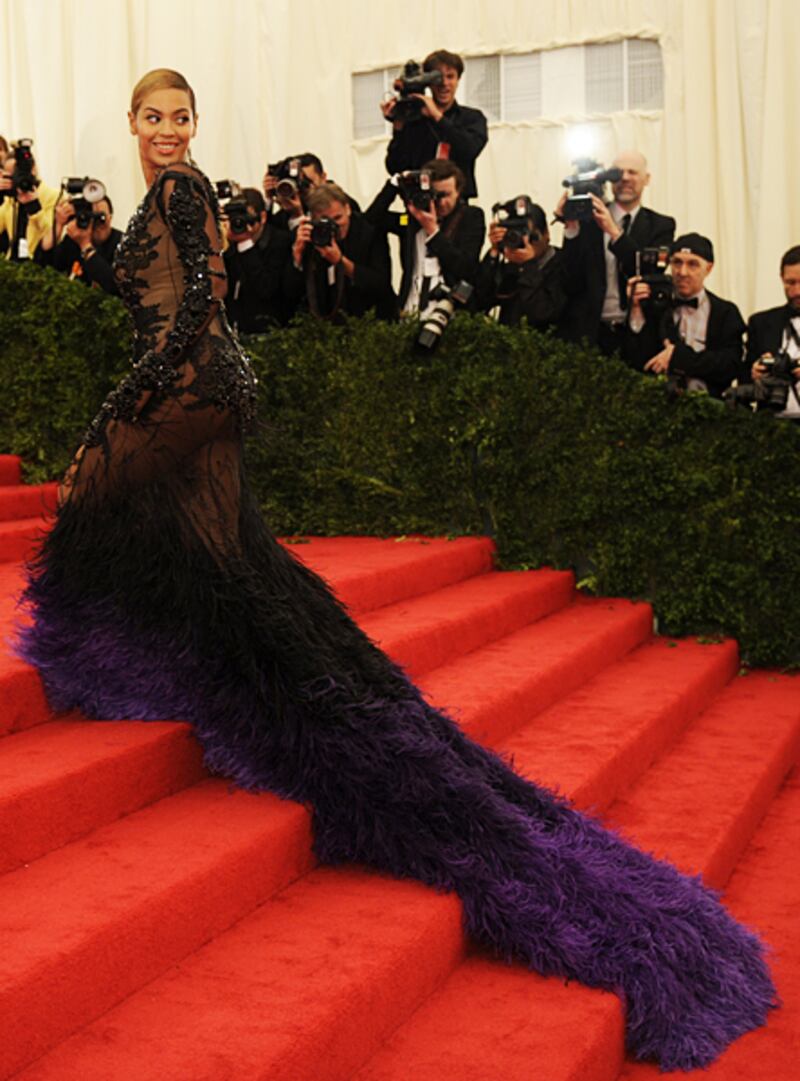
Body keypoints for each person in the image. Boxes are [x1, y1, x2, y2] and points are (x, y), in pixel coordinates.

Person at [15, 69, 775, 1074]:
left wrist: (118, 422)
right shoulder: (182, 191)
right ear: (133, 124)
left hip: (181, 398)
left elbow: (192, 319)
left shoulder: (180, 193)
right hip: (196, 399)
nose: (165, 131)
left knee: (166, 562)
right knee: (224, 581)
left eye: (180, 116)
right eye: (152, 118)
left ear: (195, 124)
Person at [557, 151, 675, 351]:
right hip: (590, 334)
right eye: (618, 173)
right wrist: (571, 227)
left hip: (637, 333)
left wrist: (613, 232)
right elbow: (570, 279)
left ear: (647, 179)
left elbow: (649, 273)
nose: (625, 178)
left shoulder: (661, 225)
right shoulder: (588, 220)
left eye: (633, 172)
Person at [625, 233, 746, 398]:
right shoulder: (655, 306)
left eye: (693, 264)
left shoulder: (725, 312)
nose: (682, 272)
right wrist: (636, 309)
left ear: (708, 268)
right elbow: (636, 359)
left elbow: (730, 366)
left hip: (709, 407)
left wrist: (678, 357)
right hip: (657, 405)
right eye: (677, 262)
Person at [366, 159, 484, 314]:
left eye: (446, 195)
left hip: (450, 309)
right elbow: (371, 219)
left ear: (459, 191)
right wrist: (394, 184)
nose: (441, 202)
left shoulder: (470, 216)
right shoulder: (411, 221)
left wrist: (433, 231)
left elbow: (466, 267)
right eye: (435, 195)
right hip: (411, 307)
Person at [382, 49, 488, 200]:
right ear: (428, 82)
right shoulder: (415, 120)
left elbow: (469, 150)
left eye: (450, 77)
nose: (444, 84)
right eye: (438, 78)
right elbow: (395, 167)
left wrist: (437, 117)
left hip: (458, 204)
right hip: (419, 202)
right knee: (399, 221)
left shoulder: (472, 118)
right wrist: (398, 126)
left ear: (458, 79)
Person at [287, 182, 394, 320]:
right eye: (325, 221)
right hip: (328, 326)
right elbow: (290, 292)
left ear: (348, 208)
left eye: (338, 218)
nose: (335, 226)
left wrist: (340, 262)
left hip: (371, 322)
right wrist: (297, 256)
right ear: (313, 218)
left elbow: (381, 284)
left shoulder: (370, 230)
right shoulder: (311, 236)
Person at [477, 198, 568, 332]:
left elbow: (543, 314)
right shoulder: (511, 266)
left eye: (526, 233)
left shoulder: (563, 264)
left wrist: (528, 266)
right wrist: (495, 251)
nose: (520, 239)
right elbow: (481, 300)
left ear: (546, 234)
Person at [222, 187, 292, 331]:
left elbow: (266, 289)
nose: (239, 223)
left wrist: (245, 244)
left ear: (263, 217)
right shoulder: (231, 246)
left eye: (245, 217)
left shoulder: (281, 242)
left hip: (269, 332)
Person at [743, 245, 800, 420]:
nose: (797, 291)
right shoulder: (761, 323)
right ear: (781, 279)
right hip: (771, 427)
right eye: (790, 283)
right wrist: (754, 373)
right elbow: (741, 377)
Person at [35, 189, 122, 295]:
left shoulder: (124, 244)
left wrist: (86, 246)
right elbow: (41, 268)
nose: (95, 224)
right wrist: (58, 225)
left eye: (101, 218)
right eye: (90, 218)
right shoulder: (73, 241)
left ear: (110, 218)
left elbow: (115, 286)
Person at [0, 145, 59, 261]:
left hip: (41, 264)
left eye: (19, 175)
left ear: (33, 170)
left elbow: (50, 239)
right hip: (13, 265)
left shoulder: (54, 197)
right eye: (12, 176)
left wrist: (34, 208)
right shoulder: (10, 200)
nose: (18, 180)